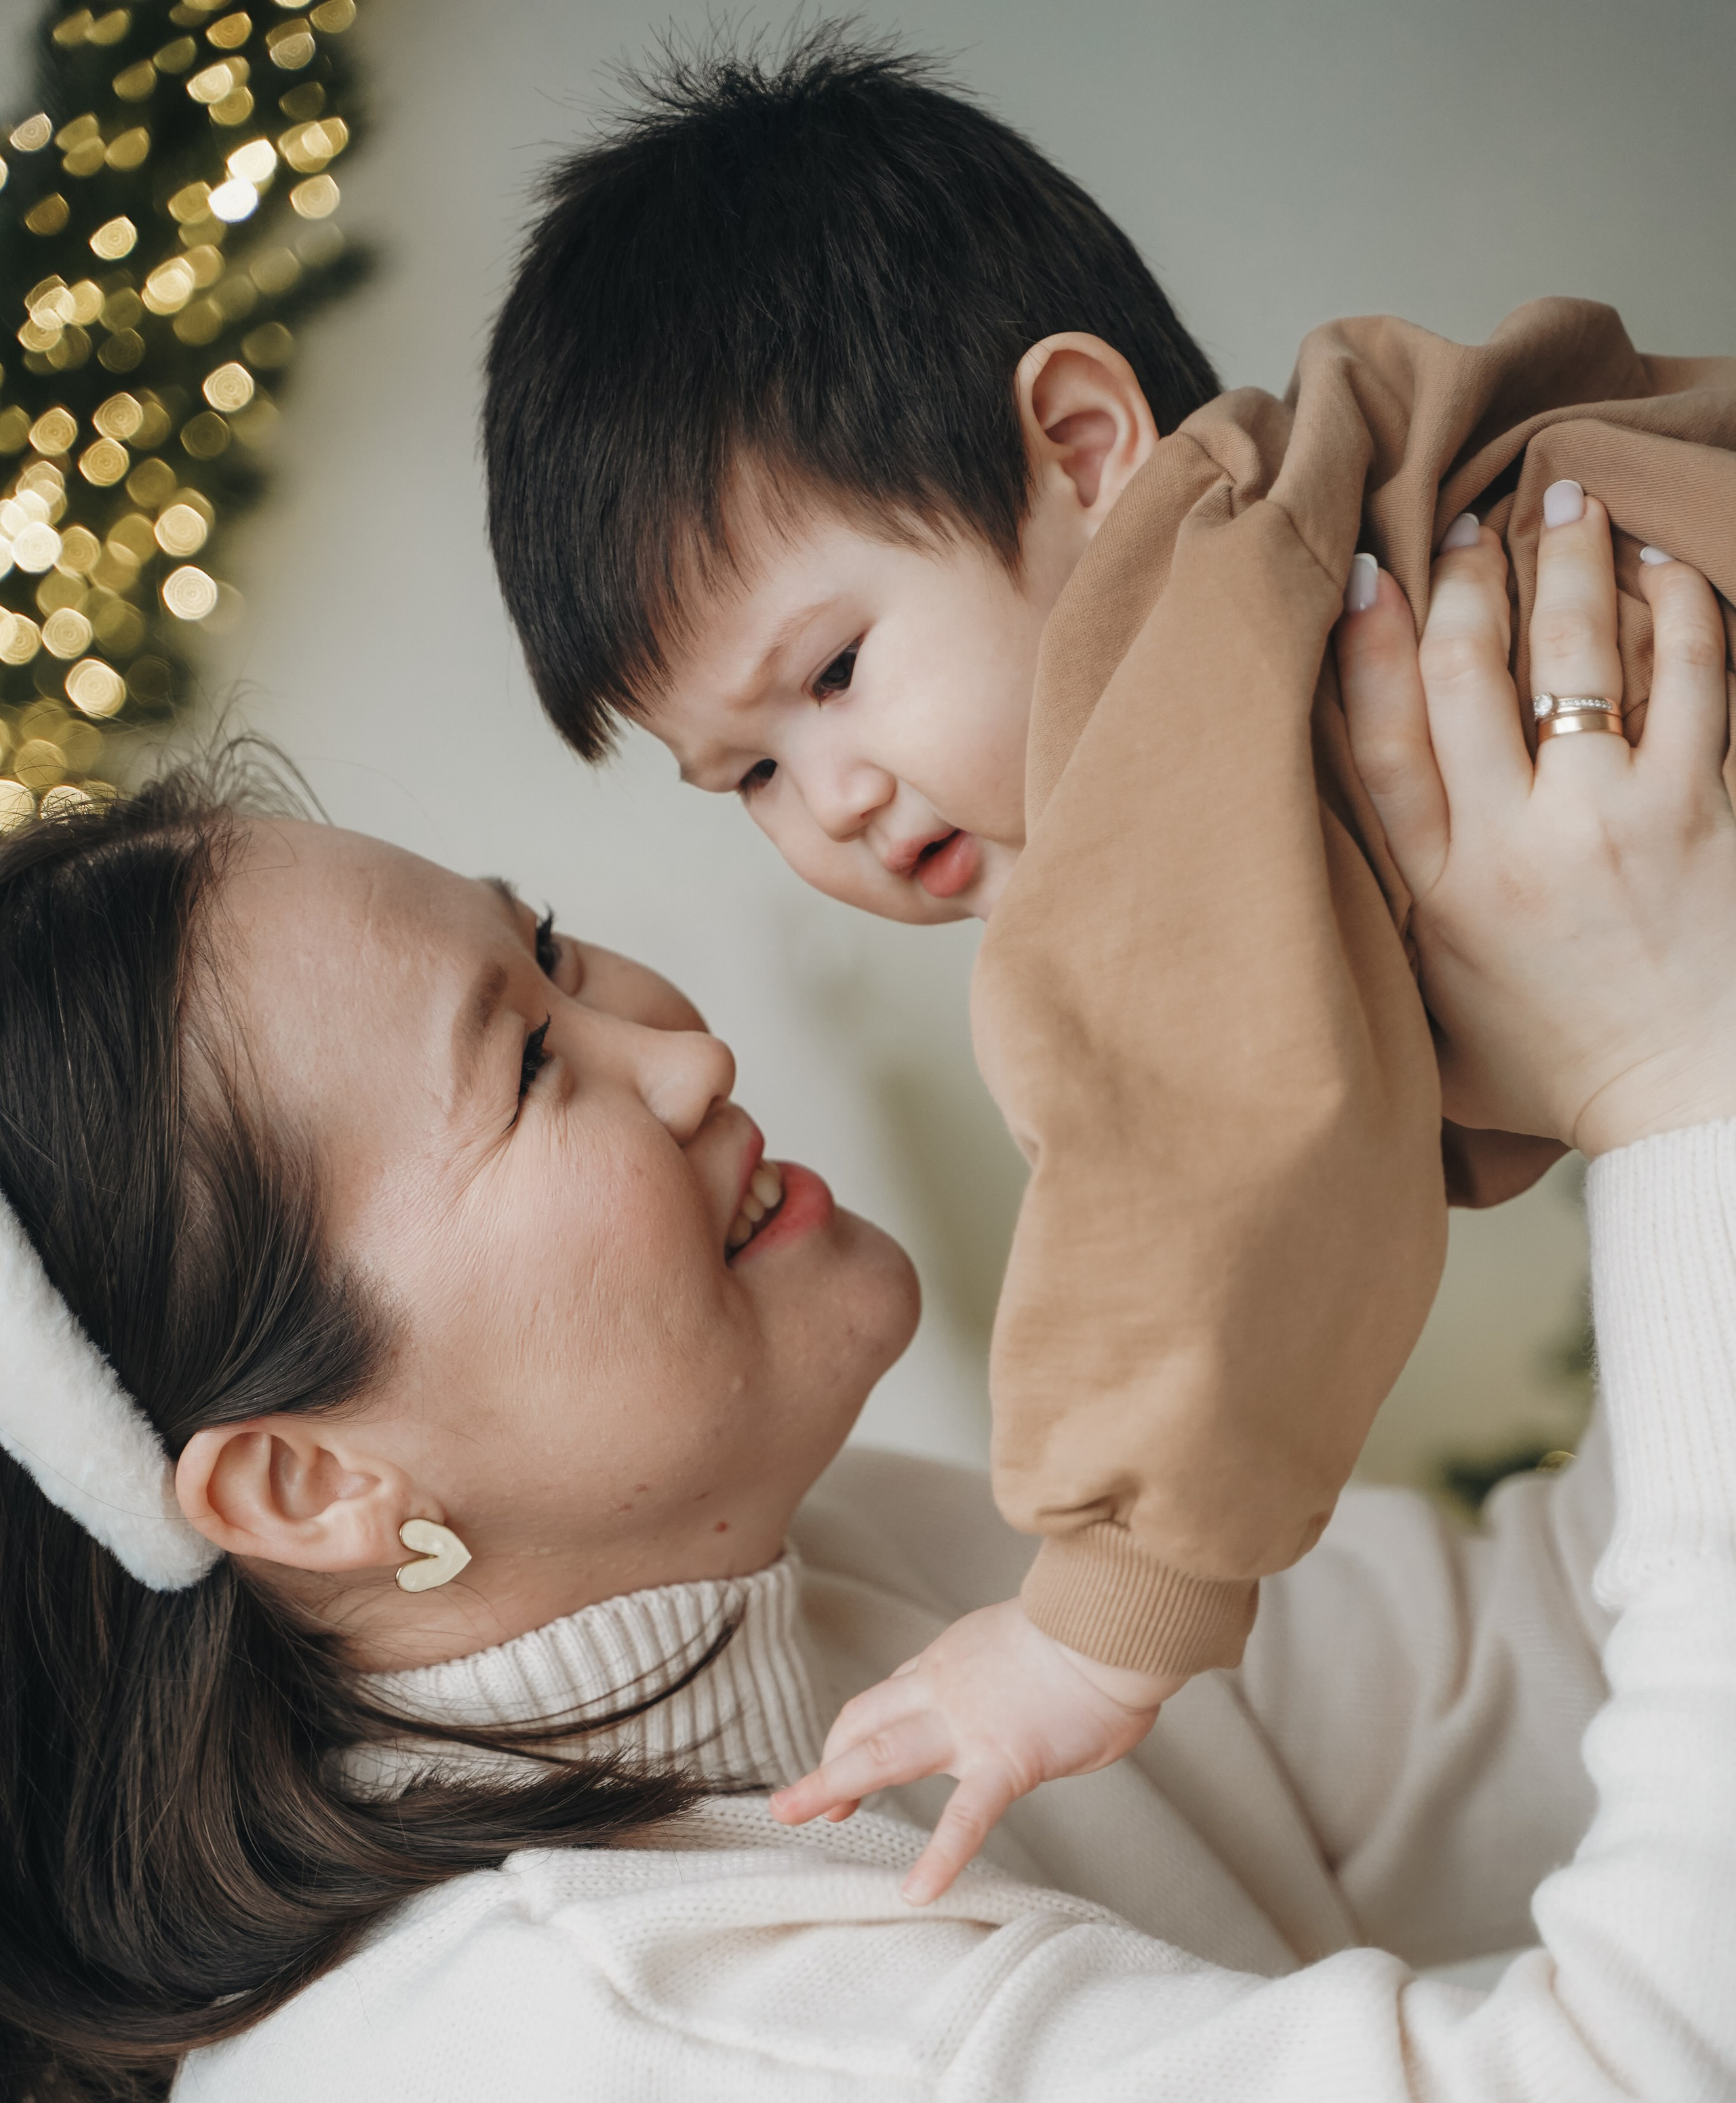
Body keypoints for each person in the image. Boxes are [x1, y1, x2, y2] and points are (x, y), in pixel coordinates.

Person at [1, 492, 1734, 2103]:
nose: (684, 1050)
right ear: (305, 1488)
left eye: (555, 947)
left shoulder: (832, 1577)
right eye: (531, 1064)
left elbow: (1545, 1669)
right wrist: (1678, 1076)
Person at [481, 33, 1736, 1900]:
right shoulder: (1296, 564)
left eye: (835, 673)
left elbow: (1195, 1136)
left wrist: (1096, 1619)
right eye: (747, 774)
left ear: (1082, 451)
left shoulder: (1170, 700)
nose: (833, 796)